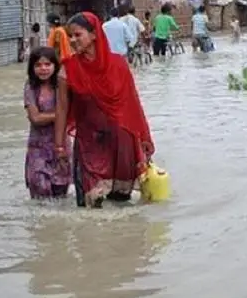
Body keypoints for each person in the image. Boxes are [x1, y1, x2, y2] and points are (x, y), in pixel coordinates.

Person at [55, 12, 154, 208]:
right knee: (90, 206)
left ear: (94, 35)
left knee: (122, 208)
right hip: (89, 144)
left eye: (78, 35)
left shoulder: (118, 65)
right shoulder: (67, 69)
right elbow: (62, 109)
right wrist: (59, 146)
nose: (73, 40)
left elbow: (132, 104)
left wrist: (143, 139)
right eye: (70, 36)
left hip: (121, 141)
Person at [23, 46, 72, 199]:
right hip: (38, 149)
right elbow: (35, 118)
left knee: (61, 196)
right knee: (39, 194)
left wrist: (56, 115)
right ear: (32, 68)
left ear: (55, 66)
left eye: (47, 64)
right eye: (38, 65)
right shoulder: (30, 87)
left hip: (62, 147)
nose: (43, 69)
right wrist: (62, 114)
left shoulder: (63, 85)